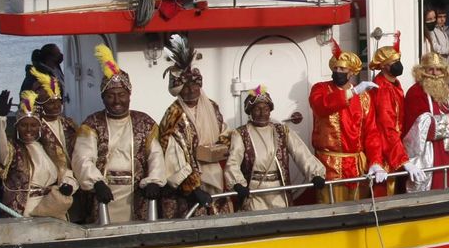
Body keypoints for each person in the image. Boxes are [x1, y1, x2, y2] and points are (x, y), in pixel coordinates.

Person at [72, 44, 171, 222]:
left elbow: (155, 155)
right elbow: (83, 158)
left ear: (129, 95)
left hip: (137, 193)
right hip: (103, 192)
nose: (117, 101)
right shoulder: (91, 124)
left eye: (121, 94)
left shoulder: (145, 123)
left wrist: (155, 180)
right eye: (110, 95)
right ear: (103, 97)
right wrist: (97, 182)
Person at [158, 35, 230, 217]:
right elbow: (171, 156)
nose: (190, 91)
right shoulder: (173, 115)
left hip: (215, 178)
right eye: (185, 87)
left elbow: (225, 131)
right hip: (187, 190)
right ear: (178, 90)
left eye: (194, 86)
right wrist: (192, 186)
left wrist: (221, 146)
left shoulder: (212, 106)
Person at [226, 86, 327, 211]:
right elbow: (233, 161)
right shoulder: (241, 133)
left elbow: (300, 152)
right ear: (250, 111)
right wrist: (237, 184)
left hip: (280, 191)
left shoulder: (282, 130)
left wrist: (315, 173)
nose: (262, 113)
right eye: (257, 109)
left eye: (266, 109)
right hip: (254, 193)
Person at [309, 38, 384, 201]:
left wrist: (375, 162)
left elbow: (371, 132)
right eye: (335, 67)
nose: (337, 71)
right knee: (331, 211)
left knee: (358, 213)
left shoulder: (365, 97)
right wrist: (354, 92)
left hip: (356, 167)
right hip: (328, 166)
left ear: (352, 72)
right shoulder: (320, 89)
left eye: (342, 68)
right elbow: (321, 106)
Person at [0, 91, 76, 219]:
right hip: (23, 210)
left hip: (49, 207)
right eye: (24, 125)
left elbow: (65, 171)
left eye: (33, 125)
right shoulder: (11, 149)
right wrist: (0, 117)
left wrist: (68, 184)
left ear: (39, 127)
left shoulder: (47, 148)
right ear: (17, 126)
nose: (28, 129)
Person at [402, 52, 449, 191]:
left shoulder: (446, 92)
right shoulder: (415, 93)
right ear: (422, 71)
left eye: (439, 69)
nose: (435, 73)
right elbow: (418, 130)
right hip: (432, 156)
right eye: (430, 69)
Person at [367, 34, 410, 195]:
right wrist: (403, 159)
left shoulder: (394, 84)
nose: (398, 65)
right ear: (384, 66)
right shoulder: (383, 89)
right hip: (384, 152)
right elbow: (387, 127)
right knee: (384, 194)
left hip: (394, 148)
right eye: (394, 62)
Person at [28, 66, 78, 153]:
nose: (56, 106)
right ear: (40, 104)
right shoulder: (34, 127)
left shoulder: (69, 123)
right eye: (50, 103)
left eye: (58, 101)